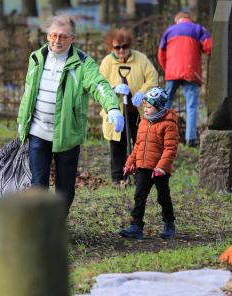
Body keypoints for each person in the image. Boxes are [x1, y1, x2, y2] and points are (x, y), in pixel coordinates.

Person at [17, 15, 124, 214]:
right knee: (37, 185)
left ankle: (57, 223)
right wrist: (22, 122)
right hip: (38, 132)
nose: (57, 41)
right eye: (53, 35)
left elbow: (99, 85)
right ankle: (40, 228)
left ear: (72, 39)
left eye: (63, 37)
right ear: (47, 35)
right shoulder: (36, 58)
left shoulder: (83, 63)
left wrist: (113, 108)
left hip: (67, 134)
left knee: (64, 189)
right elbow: (28, 92)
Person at [99, 27, 158, 185]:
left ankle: (141, 176)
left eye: (124, 46)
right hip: (116, 112)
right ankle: (118, 178)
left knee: (140, 143)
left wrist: (143, 92)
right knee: (117, 145)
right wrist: (113, 89)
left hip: (137, 112)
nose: (121, 51)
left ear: (129, 45)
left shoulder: (141, 59)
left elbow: (153, 78)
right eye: (117, 47)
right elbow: (99, 86)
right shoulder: (107, 63)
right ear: (111, 47)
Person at [119, 87, 179, 239]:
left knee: (163, 197)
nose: (145, 109)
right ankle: (136, 225)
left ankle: (169, 222)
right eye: (144, 106)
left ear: (159, 107)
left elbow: (170, 149)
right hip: (143, 167)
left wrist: (161, 167)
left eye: (149, 107)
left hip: (159, 169)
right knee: (139, 196)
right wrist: (130, 162)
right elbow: (138, 145)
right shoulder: (143, 123)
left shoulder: (169, 125)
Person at [158, 11, 212, 147]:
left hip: (172, 72)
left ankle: (161, 136)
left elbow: (161, 54)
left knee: (166, 103)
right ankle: (191, 139)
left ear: (177, 20)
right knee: (191, 106)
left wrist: (168, 70)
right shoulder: (198, 29)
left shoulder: (169, 31)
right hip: (191, 72)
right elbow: (209, 47)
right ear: (189, 19)